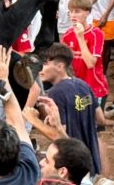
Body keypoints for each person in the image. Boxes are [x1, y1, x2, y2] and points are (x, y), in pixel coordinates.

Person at [26, 43, 102, 178]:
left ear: (60, 66)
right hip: (92, 163)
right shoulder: (83, 84)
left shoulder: (56, 93)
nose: (40, 70)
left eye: (45, 65)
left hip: (72, 168)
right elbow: (100, 119)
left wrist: (33, 120)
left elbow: (59, 136)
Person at [0, 46, 40, 184]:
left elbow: (15, 121)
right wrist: (3, 79)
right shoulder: (30, 170)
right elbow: (16, 121)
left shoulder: (30, 167)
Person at [61, 0, 108, 102]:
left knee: (95, 119)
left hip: (94, 90)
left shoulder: (96, 34)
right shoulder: (67, 35)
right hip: (75, 90)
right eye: (71, 11)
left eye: (77, 11)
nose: (73, 15)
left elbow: (90, 63)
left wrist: (80, 37)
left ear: (87, 13)